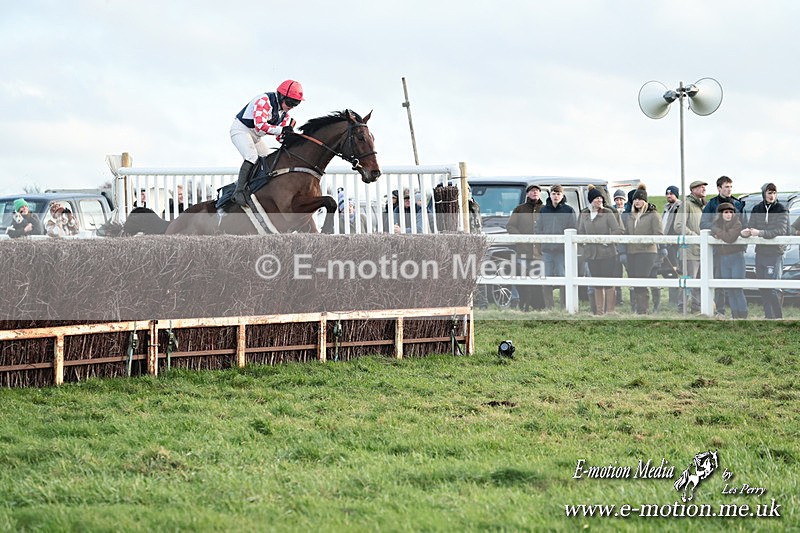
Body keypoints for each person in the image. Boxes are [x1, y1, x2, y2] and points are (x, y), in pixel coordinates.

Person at [230, 79, 304, 207]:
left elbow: (279, 138)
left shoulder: (285, 115)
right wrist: (282, 130)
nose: (291, 107)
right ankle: (239, 191)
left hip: (256, 137)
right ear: (281, 96)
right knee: (251, 157)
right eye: (290, 102)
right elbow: (260, 125)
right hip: (241, 130)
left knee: (268, 160)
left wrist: (290, 137)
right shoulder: (264, 100)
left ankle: (256, 189)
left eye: (295, 104)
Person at [741, 182, 789, 319]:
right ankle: (768, 317)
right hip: (760, 252)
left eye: (774, 193)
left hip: (775, 253)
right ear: (764, 194)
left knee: (773, 288)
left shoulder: (781, 209)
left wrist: (760, 233)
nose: (772, 196)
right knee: (762, 287)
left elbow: (781, 230)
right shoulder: (757, 208)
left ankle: (777, 317)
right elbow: (751, 226)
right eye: (769, 193)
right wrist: (745, 232)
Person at [701, 176, 746, 317]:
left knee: (736, 287)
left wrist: (720, 232)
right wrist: (715, 230)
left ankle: (740, 315)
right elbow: (703, 223)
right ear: (719, 188)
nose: (729, 189)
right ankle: (720, 311)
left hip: (735, 250)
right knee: (720, 282)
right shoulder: (712, 204)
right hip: (718, 251)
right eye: (726, 187)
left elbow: (743, 224)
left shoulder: (737, 204)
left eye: (730, 187)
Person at [578, 187, 623, 315]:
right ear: (591, 200)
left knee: (608, 282)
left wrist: (607, 240)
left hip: (607, 253)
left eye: (600, 198)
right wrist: (584, 243)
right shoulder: (584, 214)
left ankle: (610, 311)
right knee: (597, 283)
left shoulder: (607, 212)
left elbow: (617, 230)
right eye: (597, 198)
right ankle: (599, 311)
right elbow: (580, 231)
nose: (599, 200)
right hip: (591, 254)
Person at [534, 184, 577, 309]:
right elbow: (538, 228)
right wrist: (543, 240)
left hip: (562, 251)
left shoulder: (569, 210)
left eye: (558, 194)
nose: (556, 196)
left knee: (563, 277)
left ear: (562, 195)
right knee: (546, 278)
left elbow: (573, 228)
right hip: (547, 250)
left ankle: (564, 305)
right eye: (553, 193)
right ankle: (549, 306)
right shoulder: (544, 210)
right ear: (550, 195)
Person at [623, 185, 663, 314]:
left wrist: (644, 242)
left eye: (640, 199)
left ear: (645, 201)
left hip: (647, 252)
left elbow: (658, 234)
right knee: (634, 279)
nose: (637, 201)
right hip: (632, 252)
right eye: (635, 199)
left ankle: (642, 309)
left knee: (641, 278)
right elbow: (626, 233)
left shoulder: (653, 215)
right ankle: (637, 308)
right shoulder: (630, 216)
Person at [507, 184, 545, 311]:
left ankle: (538, 305)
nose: (535, 192)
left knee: (538, 279)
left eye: (537, 191)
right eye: (532, 191)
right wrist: (520, 238)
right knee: (520, 278)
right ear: (527, 193)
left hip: (539, 252)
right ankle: (517, 302)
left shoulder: (544, 210)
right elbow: (510, 226)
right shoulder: (519, 209)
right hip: (523, 250)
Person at [674, 180, 707, 313]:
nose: (704, 189)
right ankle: (682, 306)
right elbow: (678, 226)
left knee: (700, 280)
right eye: (701, 187)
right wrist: (695, 237)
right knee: (688, 280)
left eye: (704, 187)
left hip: (702, 250)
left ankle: (696, 307)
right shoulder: (686, 204)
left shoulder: (703, 206)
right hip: (690, 250)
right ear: (693, 190)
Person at [710, 203, 748, 319]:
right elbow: (713, 232)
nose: (728, 215)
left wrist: (717, 231)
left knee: (737, 288)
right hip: (724, 258)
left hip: (736, 257)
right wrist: (715, 232)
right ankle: (734, 314)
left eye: (731, 212)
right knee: (729, 289)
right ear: (721, 214)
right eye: (726, 212)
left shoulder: (737, 223)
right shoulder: (718, 223)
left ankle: (743, 315)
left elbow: (730, 238)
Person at [661, 185, 682, 308]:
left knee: (674, 270)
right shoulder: (666, 208)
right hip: (666, 243)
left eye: (671, 193)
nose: (669, 196)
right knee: (668, 270)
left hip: (674, 244)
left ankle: (675, 299)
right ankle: (672, 299)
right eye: (667, 193)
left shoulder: (679, 208)